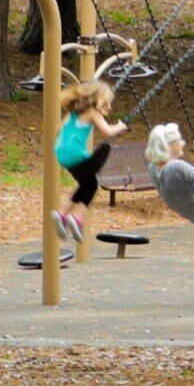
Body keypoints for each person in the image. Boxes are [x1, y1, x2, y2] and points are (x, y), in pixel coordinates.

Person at [53, 72, 128, 259]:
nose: (107, 105)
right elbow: (107, 131)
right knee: (102, 155)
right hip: (75, 153)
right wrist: (120, 126)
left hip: (61, 153)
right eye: (106, 101)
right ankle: (76, 218)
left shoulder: (72, 113)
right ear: (98, 99)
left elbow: (59, 129)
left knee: (88, 184)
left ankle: (63, 214)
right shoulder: (93, 113)